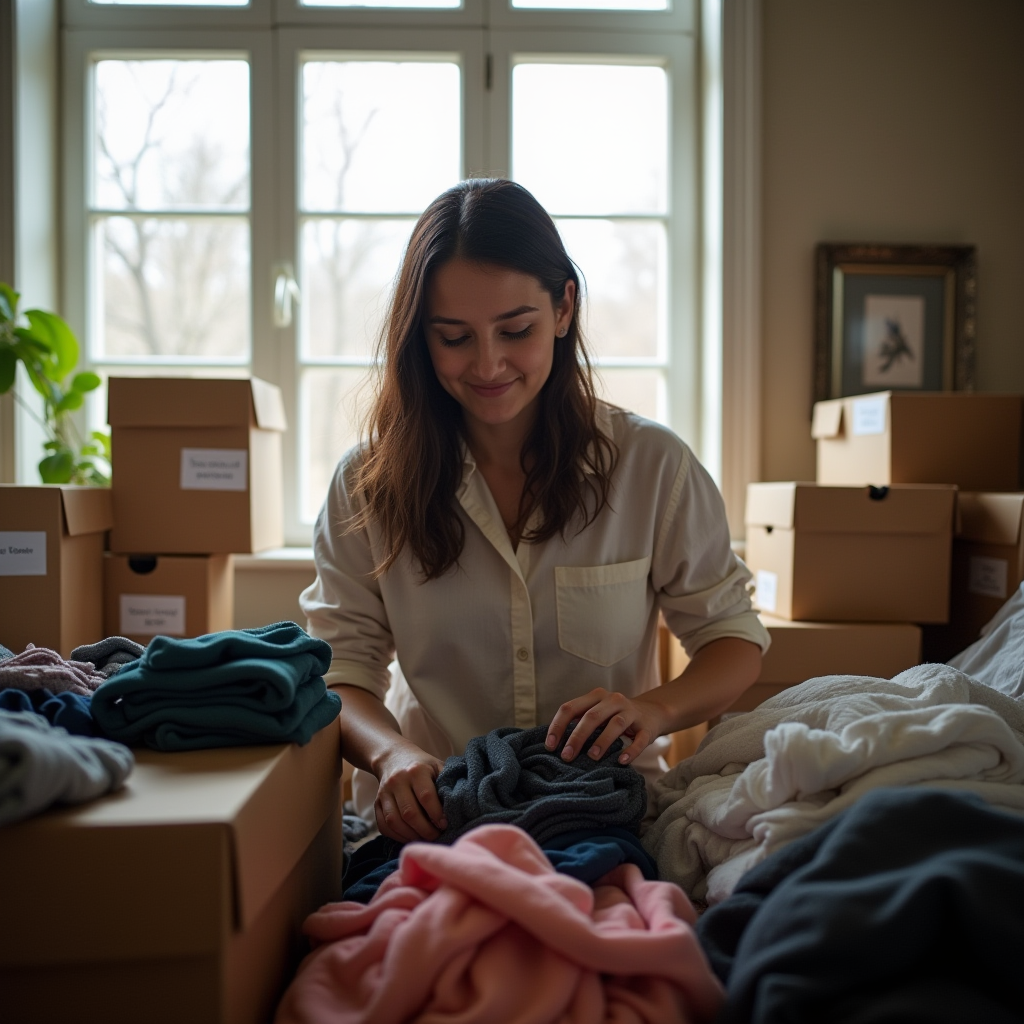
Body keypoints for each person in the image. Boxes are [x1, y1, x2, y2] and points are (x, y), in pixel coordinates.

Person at [301, 178, 769, 844]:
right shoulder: (365, 484)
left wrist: (653, 709)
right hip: (431, 818)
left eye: (514, 330)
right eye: (454, 337)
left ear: (563, 308)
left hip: (607, 811)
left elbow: (734, 640)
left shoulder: (652, 467)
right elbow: (340, 674)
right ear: (419, 338)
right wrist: (391, 753)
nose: (488, 364)